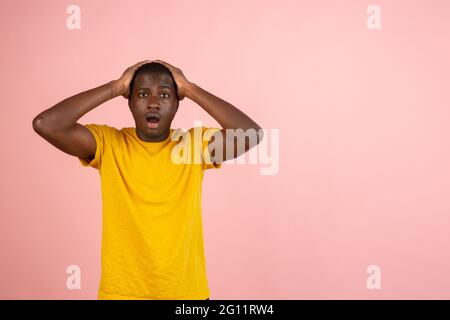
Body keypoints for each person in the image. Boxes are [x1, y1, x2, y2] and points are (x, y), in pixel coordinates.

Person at [32, 59, 263, 300]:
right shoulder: (109, 143)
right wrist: (115, 87)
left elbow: (250, 135)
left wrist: (191, 89)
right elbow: (46, 124)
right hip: (121, 294)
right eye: (142, 94)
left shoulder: (193, 146)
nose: (153, 103)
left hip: (186, 295)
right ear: (130, 102)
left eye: (165, 95)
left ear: (177, 104)